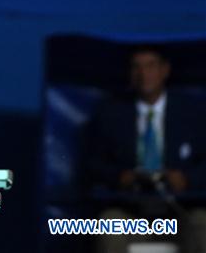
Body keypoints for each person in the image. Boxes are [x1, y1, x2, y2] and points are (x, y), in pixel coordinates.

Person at [85, 45, 206, 253]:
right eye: (136, 67)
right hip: (131, 211)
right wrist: (121, 178)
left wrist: (186, 180)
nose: (144, 74)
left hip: (181, 211)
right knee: (109, 224)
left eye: (151, 66)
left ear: (165, 70)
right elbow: (93, 163)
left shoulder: (192, 112)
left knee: (202, 224)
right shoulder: (110, 114)